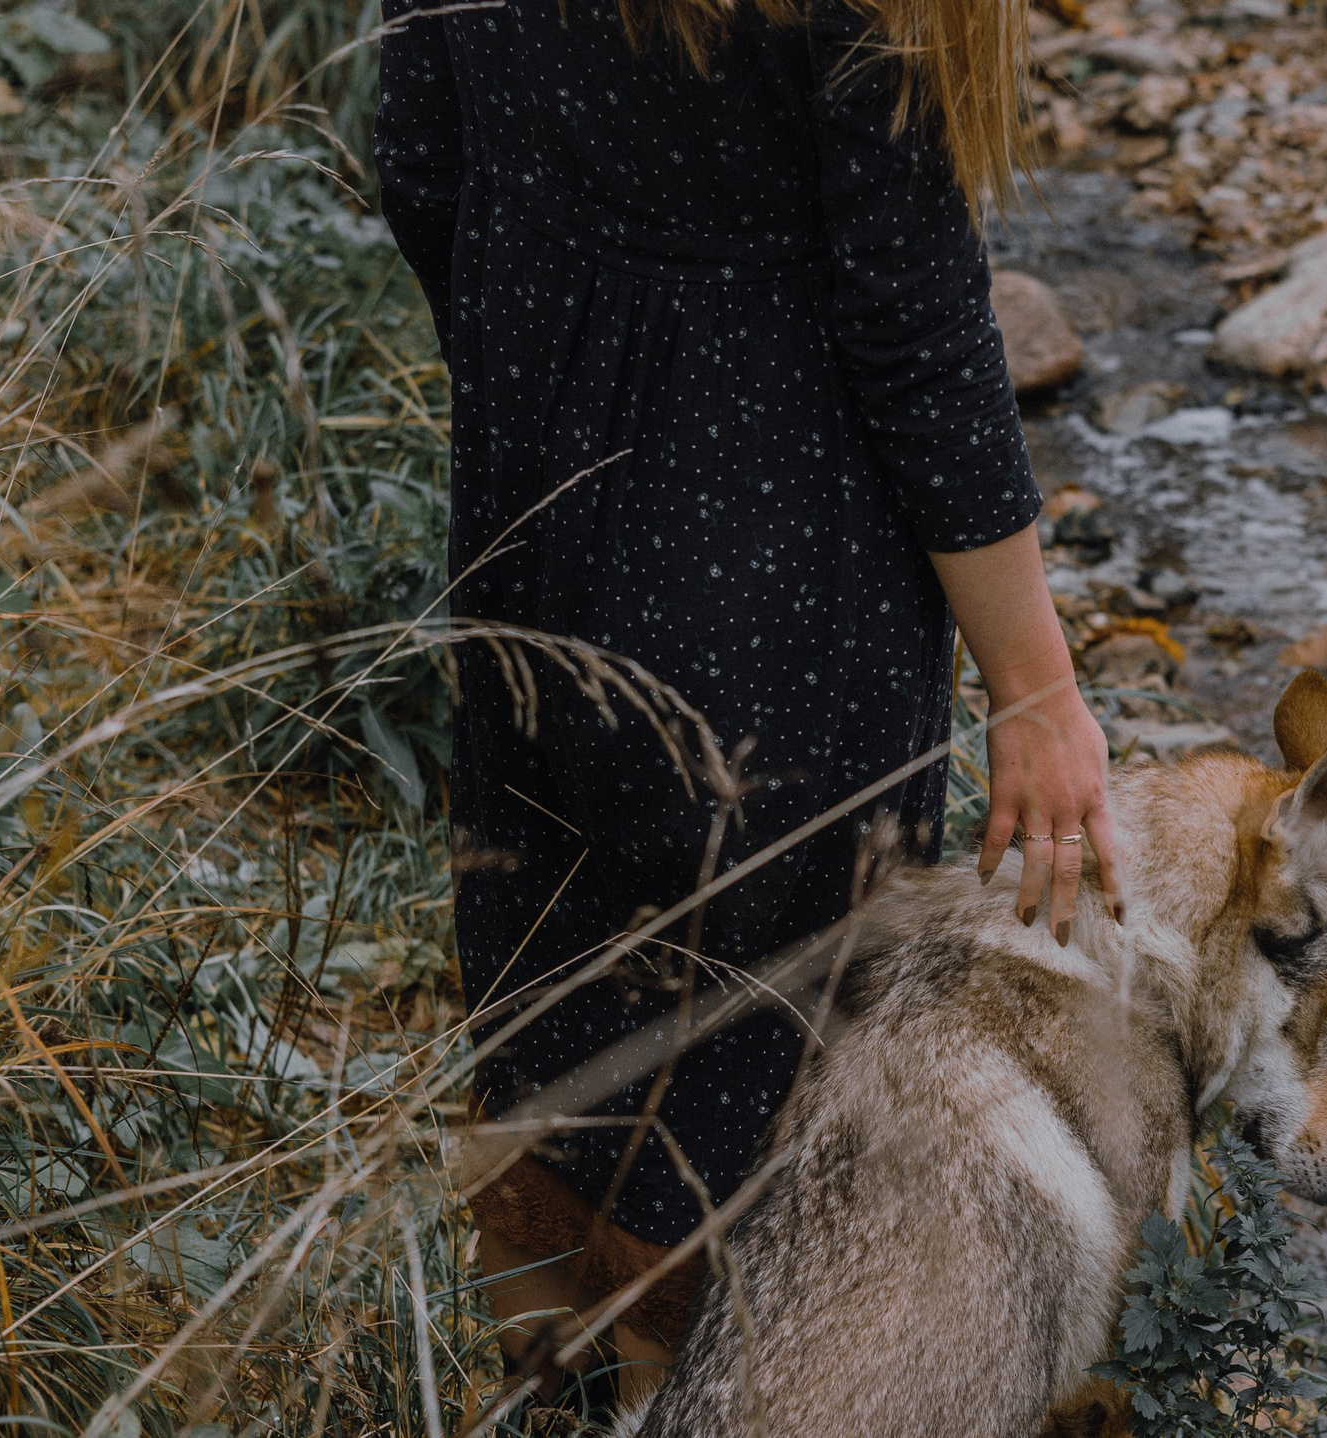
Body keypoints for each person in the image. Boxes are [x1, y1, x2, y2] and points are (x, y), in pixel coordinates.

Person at [372, 0, 1125, 1402]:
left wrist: (558, 344)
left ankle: (546, 1407)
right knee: (736, 1110)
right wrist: (1037, 683)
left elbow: (413, 146)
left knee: (548, 1039)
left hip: (533, 541)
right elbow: (913, 326)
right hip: (787, 591)